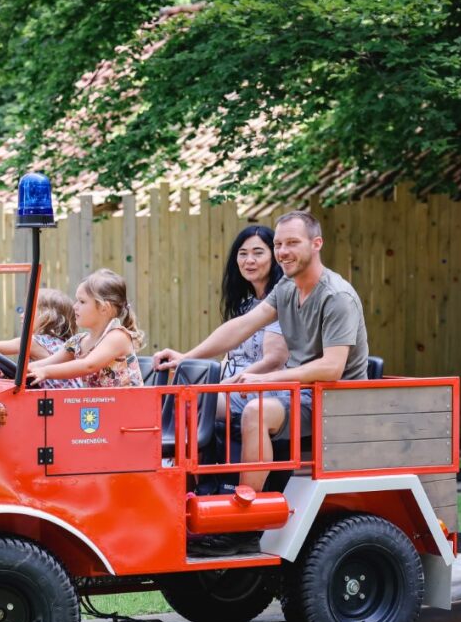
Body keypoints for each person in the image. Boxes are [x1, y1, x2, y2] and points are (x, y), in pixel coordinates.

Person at [154, 210, 368, 492]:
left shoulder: (337, 297)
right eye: (278, 244)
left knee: (255, 411)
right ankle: (196, 492)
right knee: (197, 401)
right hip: (298, 393)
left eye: (292, 243)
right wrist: (187, 357)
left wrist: (265, 380)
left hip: (334, 402)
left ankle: (246, 509)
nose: (283, 252)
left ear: (317, 244)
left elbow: (332, 368)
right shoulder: (288, 286)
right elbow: (242, 326)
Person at [28, 269, 144, 387]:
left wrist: (46, 372)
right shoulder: (77, 342)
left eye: (82, 302)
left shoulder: (118, 337)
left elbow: (88, 365)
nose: (74, 306)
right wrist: (25, 370)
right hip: (100, 404)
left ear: (104, 308)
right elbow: (47, 363)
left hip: (129, 404)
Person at [216, 225, 288, 418]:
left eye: (258, 253)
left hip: (267, 390)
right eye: (243, 254)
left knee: (195, 401)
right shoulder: (244, 306)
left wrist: (222, 386)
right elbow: (229, 358)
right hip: (234, 387)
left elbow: (273, 361)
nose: (249, 261)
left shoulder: (281, 302)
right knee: (178, 395)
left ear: (274, 257)